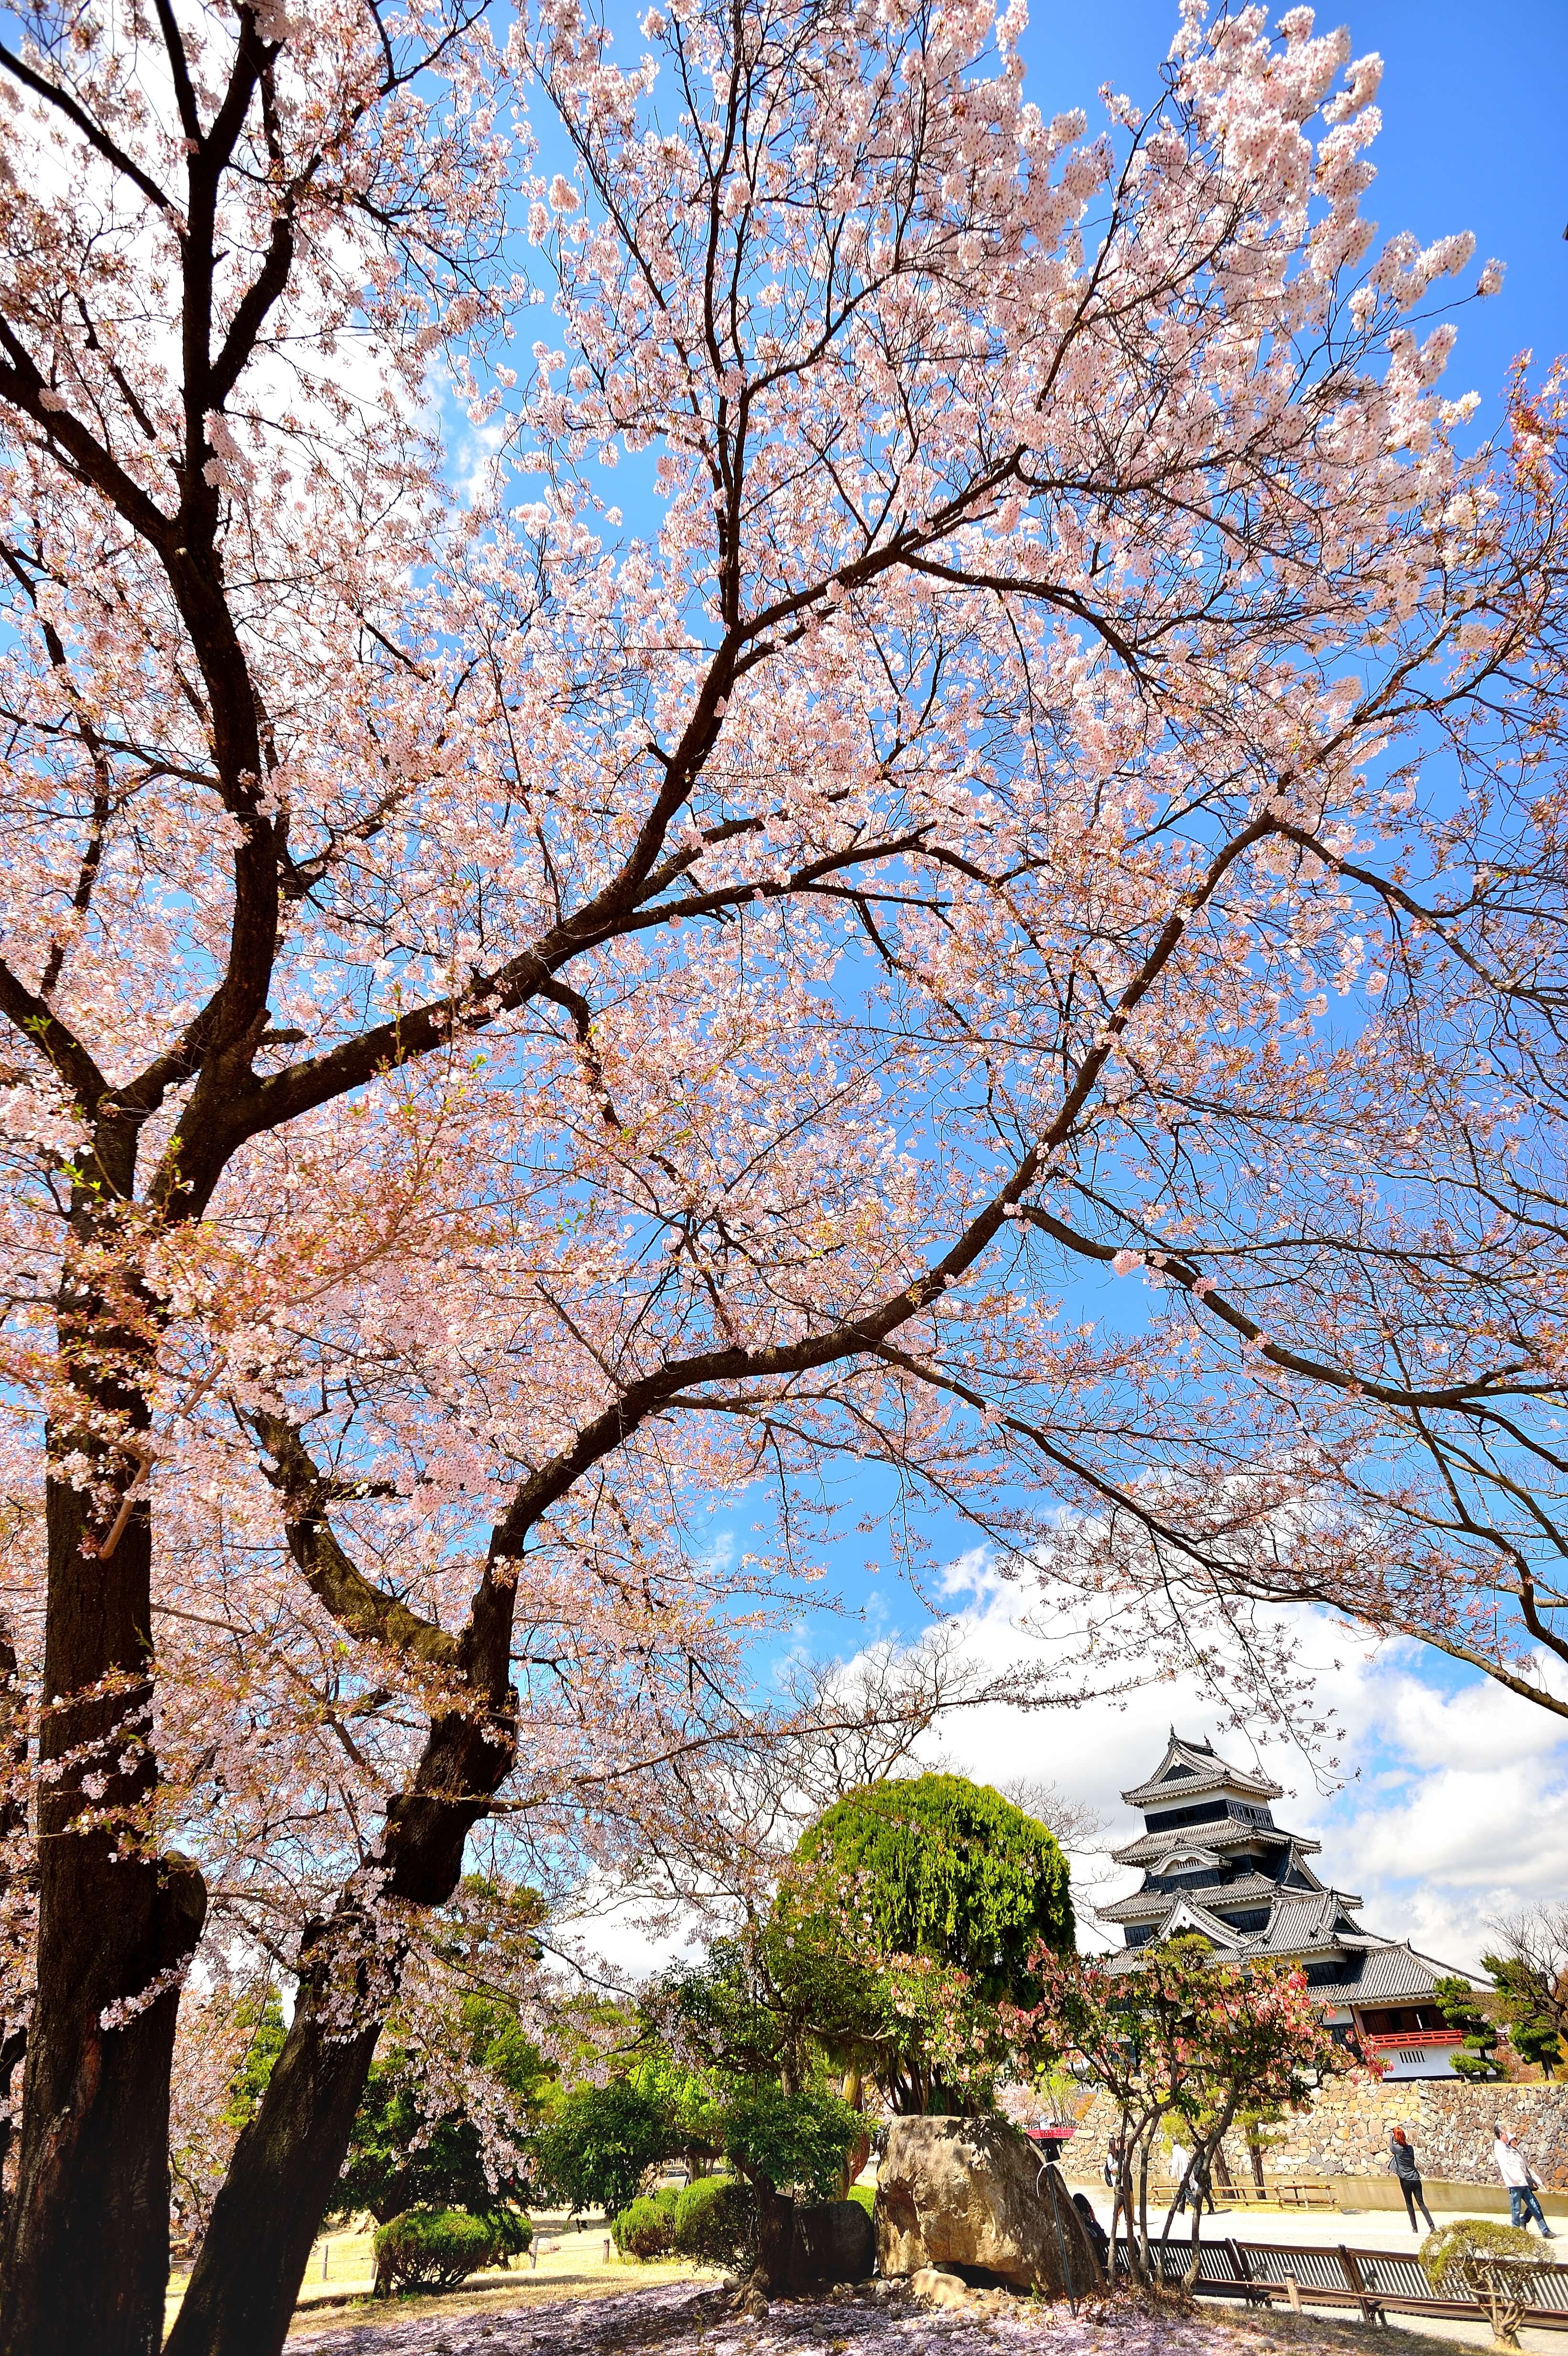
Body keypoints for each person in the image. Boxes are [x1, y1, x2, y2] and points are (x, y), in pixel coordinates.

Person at [1494, 2124, 1556, 2237]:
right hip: (1514, 2185)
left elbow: (1526, 2168)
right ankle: (1515, 2232)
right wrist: (1517, 2179)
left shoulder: (1514, 2151)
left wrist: (1536, 2180)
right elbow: (1507, 2167)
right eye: (1506, 2135)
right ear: (1500, 2135)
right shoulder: (1500, 2148)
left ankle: (1545, 2230)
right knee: (1516, 2209)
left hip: (1524, 2183)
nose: (1509, 2138)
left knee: (1535, 2206)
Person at [1388, 2129, 1436, 2234]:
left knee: (1409, 2204)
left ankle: (1415, 2228)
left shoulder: (1397, 2149)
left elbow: (1391, 2147)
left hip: (1406, 2180)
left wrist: (1391, 2137)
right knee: (1422, 2204)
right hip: (1416, 2179)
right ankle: (1432, 2226)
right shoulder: (1410, 2149)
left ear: (1396, 2138)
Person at [1072, 2190, 1111, 2266]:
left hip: (1085, 2264)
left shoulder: (1076, 2228)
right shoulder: (1091, 2226)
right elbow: (1104, 2240)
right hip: (1101, 2262)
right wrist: (1095, 2220)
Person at [1169, 2137, 1191, 2216]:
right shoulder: (1183, 2151)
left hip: (1183, 2175)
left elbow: (1175, 2163)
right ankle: (1181, 2208)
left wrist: (1173, 2175)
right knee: (1183, 2192)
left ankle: (1197, 2206)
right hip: (1187, 2174)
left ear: (1172, 2143)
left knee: (1188, 2193)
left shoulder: (1176, 2152)